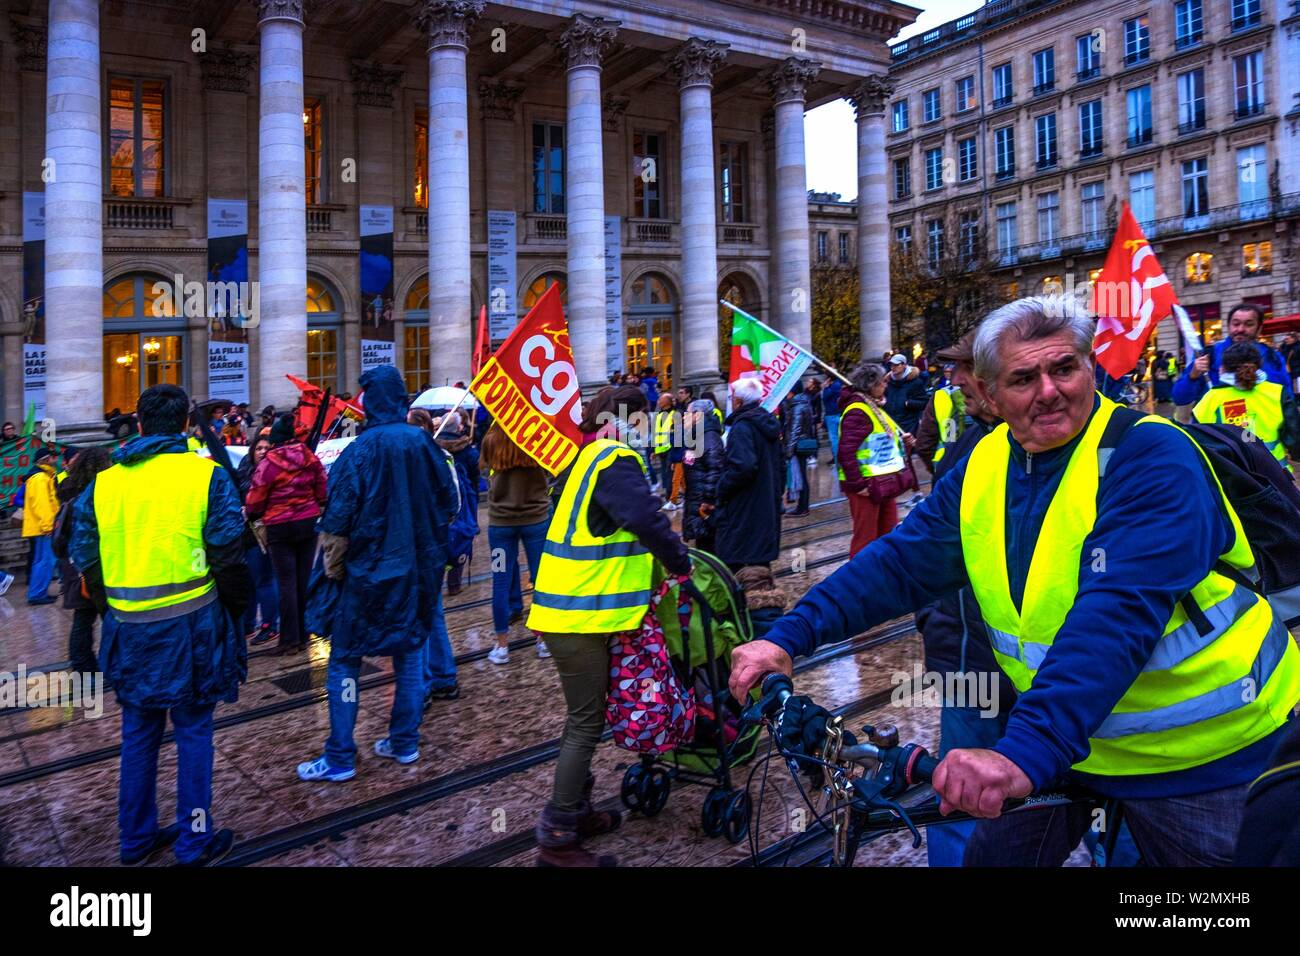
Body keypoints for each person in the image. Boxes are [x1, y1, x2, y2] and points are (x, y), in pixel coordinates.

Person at [730, 294, 1300, 867]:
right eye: (1024, 377)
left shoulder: (1151, 453)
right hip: (1076, 739)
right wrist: (789, 636)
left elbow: (1119, 609)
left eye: (1065, 368)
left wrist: (1024, 753)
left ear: (1090, 367)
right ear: (988, 393)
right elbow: (899, 563)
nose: (1049, 390)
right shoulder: (985, 462)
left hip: (1202, 749)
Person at [71, 383, 251, 866]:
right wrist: (237, 609)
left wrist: (112, 601)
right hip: (192, 624)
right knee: (194, 733)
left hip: (128, 627)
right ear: (188, 424)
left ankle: (135, 838)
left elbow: (83, 552)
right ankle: (194, 838)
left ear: (141, 422)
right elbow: (229, 552)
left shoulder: (105, 482)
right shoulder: (205, 476)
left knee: (138, 734)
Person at [527, 385, 691, 866]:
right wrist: (681, 562)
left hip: (581, 611)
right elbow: (646, 518)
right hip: (575, 616)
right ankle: (557, 836)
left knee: (586, 716)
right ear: (625, 420)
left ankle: (578, 811)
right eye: (642, 420)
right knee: (584, 722)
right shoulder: (614, 458)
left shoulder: (587, 456)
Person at [299, 365, 457, 781]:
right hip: (418, 571)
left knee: (345, 662)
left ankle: (340, 757)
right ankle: (404, 742)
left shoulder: (359, 449)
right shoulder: (423, 443)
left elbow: (337, 519)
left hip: (366, 574)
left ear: (370, 399)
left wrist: (332, 570)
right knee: (408, 655)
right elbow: (449, 503)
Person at [245, 414, 327, 655]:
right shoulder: (309, 456)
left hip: (279, 526)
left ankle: (289, 640)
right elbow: (322, 485)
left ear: (275, 440)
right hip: (307, 522)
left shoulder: (269, 463)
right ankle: (303, 634)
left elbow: (256, 497)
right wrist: (317, 504)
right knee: (302, 581)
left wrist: (253, 513)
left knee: (286, 583)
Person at [480, 423, 552, 666]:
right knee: (541, 579)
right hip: (535, 521)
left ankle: (502, 646)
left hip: (501, 525)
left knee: (500, 581)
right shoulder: (536, 438)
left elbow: (484, 470)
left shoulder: (490, 441)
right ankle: (542, 640)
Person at [836, 362, 914, 557]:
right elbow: (846, 451)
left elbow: (883, 442)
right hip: (866, 486)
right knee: (866, 538)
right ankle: (860, 582)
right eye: (881, 382)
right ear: (870, 385)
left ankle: (883, 576)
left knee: (887, 533)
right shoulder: (858, 410)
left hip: (882, 482)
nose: (885, 385)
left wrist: (904, 443)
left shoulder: (873, 406)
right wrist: (857, 484)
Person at [713, 377, 784, 572]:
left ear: (738, 401)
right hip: (766, 504)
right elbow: (781, 464)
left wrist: (721, 488)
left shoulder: (742, 427)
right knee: (759, 565)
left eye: (732, 396)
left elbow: (742, 467)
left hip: (744, 508)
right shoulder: (768, 423)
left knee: (739, 565)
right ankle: (762, 599)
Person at [52, 446, 112, 675]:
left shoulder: (67, 492)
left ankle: (82, 664)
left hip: (71, 564)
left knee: (83, 617)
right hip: (92, 564)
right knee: (108, 616)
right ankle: (102, 663)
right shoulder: (93, 496)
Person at [1193, 341, 1295, 473]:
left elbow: (1198, 445)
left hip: (1234, 479)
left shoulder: (1209, 400)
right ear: (1259, 366)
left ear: (1222, 368)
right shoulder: (1277, 393)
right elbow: (1294, 435)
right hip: (1277, 474)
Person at [1172, 302, 1293, 407]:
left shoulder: (1273, 357)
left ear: (1259, 328)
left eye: (1248, 324)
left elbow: (1287, 398)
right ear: (1229, 325)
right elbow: (1179, 398)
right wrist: (1193, 375)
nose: (1240, 329)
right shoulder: (1209, 355)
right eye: (1236, 323)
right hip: (1216, 431)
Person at [234, 435, 280, 645]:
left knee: (263, 580)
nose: (262, 451)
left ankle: (270, 625)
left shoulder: (274, 472)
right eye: (259, 448)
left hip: (264, 534)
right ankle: (248, 624)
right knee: (248, 581)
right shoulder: (243, 469)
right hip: (245, 534)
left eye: (266, 448)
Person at [682, 398, 724, 554]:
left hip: (703, 506)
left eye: (687, 413)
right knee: (702, 545)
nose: (684, 416)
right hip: (697, 499)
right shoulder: (697, 435)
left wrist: (707, 500)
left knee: (708, 547)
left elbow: (715, 469)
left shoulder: (709, 437)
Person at [22, 446, 60, 605]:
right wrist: (48, 527)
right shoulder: (40, 478)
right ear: (46, 459)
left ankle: (37, 592)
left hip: (40, 527)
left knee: (41, 561)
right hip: (44, 528)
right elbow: (42, 504)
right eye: (53, 457)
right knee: (45, 561)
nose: (55, 460)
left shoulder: (43, 477)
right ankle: (37, 594)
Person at [783, 384, 817, 516]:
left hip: (798, 446)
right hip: (801, 444)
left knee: (801, 476)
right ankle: (802, 506)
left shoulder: (797, 406)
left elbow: (795, 430)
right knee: (802, 475)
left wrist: (789, 451)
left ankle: (802, 507)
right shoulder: (802, 402)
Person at [884, 353, 928, 435]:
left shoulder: (915, 382)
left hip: (909, 426)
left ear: (904, 365)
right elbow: (885, 400)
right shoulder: (888, 382)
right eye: (891, 365)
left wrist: (908, 403)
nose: (893, 367)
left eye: (896, 365)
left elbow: (924, 403)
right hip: (891, 425)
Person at [652, 393, 679, 509]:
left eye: (661, 400)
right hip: (661, 448)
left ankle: (670, 498)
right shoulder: (658, 415)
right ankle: (668, 496)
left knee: (669, 473)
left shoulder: (676, 414)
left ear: (667, 402)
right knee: (664, 474)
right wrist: (654, 450)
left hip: (670, 448)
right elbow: (655, 433)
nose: (658, 401)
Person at [821, 375, 843, 466]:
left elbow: (825, 397)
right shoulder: (839, 384)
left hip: (831, 414)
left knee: (834, 438)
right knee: (840, 437)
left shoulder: (833, 386)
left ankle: (837, 458)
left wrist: (825, 388)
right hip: (838, 413)